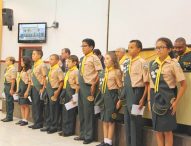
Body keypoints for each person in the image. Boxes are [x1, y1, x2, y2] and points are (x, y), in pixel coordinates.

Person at [148, 37, 186, 146]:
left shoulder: (173, 64)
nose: (158, 50)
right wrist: (149, 101)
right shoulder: (152, 64)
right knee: (158, 130)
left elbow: (184, 85)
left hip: (168, 101)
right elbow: (150, 84)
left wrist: (176, 102)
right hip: (155, 99)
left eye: (161, 47)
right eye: (157, 47)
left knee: (167, 131)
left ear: (169, 49)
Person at [117, 40, 149, 146]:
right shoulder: (126, 62)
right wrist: (121, 97)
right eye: (128, 47)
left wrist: (143, 98)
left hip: (137, 92)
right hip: (127, 91)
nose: (129, 49)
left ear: (139, 49)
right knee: (127, 120)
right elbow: (123, 80)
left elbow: (146, 83)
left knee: (135, 121)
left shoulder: (142, 62)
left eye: (132, 47)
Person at [74, 38, 103, 144]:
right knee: (81, 111)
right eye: (82, 46)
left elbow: (100, 72)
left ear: (91, 47)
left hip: (89, 86)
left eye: (85, 46)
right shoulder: (82, 58)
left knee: (88, 112)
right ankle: (82, 134)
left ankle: (89, 136)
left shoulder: (94, 58)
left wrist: (94, 84)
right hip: (81, 86)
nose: (83, 48)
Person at [97, 52, 122, 146]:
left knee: (111, 119)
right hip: (104, 96)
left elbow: (120, 87)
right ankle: (105, 140)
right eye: (105, 59)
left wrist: (120, 100)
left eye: (107, 59)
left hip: (112, 96)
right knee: (104, 119)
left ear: (113, 61)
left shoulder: (116, 72)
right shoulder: (103, 72)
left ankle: (109, 142)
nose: (105, 60)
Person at [41, 54, 64, 134]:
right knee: (47, 109)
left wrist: (57, 92)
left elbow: (61, 82)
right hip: (48, 90)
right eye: (50, 59)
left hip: (54, 90)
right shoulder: (50, 69)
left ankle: (54, 126)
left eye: (52, 59)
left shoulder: (58, 70)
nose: (50, 61)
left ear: (57, 61)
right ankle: (48, 125)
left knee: (54, 109)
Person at [59, 55, 79, 137]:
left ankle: (69, 131)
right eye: (67, 62)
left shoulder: (76, 71)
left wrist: (75, 97)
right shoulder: (69, 71)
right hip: (66, 91)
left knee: (70, 113)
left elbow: (77, 85)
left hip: (72, 91)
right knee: (65, 112)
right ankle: (64, 129)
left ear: (75, 62)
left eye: (69, 62)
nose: (67, 63)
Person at [29, 50, 47, 129]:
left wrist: (43, 88)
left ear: (39, 55)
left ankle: (39, 123)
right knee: (34, 105)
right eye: (32, 54)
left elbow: (44, 77)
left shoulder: (42, 65)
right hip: (33, 87)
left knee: (38, 105)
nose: (32, 55)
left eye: (34, 54)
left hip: (38, 87)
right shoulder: (35, 64)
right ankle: (35, 122)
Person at [16, 56, 32, 126]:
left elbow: (30, 82)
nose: (21, 62)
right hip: (21, 88)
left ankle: (26, 120)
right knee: (21, 104)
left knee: (25, 105)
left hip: (25, 88)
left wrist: (27, 91)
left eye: (23, 61)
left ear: (26, 62)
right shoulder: (22, 69)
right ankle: (23, 119)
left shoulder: (29, 70)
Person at [1, 57, 17, 122]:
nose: (5, 61)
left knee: (9, 101)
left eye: (7, 60)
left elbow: (13, 80)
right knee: (7, 101)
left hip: (10, 85)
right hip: (6, 85)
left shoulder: (12, 69)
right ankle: (7, 116)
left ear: (11, 61)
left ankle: (10, 117)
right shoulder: (8, 68)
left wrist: (12, 89)